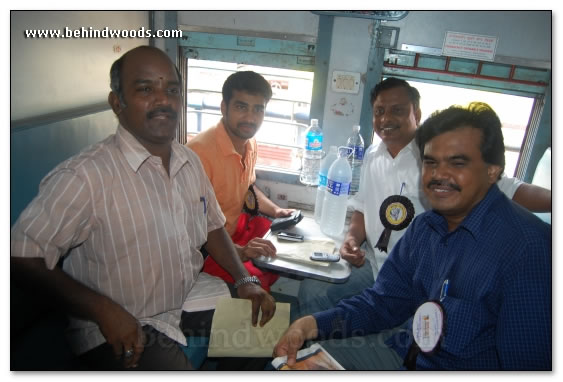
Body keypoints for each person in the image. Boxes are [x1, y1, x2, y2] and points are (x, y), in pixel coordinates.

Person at [10, 46, 275, 370]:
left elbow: (212, 226)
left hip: (183, 296)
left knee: (266, 331)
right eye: (145, 88)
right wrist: (103, 310)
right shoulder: (85, 176)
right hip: (123, 322)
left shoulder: (188, 162)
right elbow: (20, 255)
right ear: (117, 102)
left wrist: (243, 280)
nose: (163, 99)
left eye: (172, 90)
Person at [274, 102, 551, 370]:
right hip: (404, 351)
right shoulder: (425, 229)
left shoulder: (529, 251)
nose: (439, 174)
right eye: (430, 162)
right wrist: (312, 324)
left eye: (457, 163)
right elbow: (383, 303)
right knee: (286, 365)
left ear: (492, 171)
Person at [297, 77, 552, 316]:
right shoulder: (373, 155)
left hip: (418, 280)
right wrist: (352, 239)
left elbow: (511, 189)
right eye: (379, 111)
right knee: (313, 292)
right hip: (374, 265)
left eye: (397, 110)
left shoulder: (434, 155)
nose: (386, 118)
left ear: (415, 114)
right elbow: (363, 208)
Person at [187, 71, 294, 290]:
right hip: (210, 247)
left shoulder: (249, 142)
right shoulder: (198, 155)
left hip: (236, 229)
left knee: (282, 246)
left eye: (258, 109)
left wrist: (276, 211)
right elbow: (193, 230)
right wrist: (240, 251)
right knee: (256, 279)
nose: (250, 118)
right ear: (224, 107)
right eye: (241, 107)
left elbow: (248, 187)